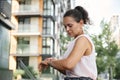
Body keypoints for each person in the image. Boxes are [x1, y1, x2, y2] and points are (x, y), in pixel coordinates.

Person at [38, 6, 97, 80]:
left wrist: (50, 62)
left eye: (70, 25)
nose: (67, 29)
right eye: (65, 26)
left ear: (81, 23)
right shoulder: (74, 42)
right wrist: (52, 62)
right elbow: (68, 71)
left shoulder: (83, 40)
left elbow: (68, 64)